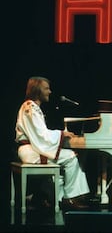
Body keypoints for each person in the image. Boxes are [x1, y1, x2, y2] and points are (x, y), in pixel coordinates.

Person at [15, 76, 91, 210]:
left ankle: (55, 196)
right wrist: (62, 134)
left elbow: (40, 132)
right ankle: (70, 197)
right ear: (38, 90)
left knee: (64, 158)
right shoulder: (30, 107)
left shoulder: (32, 107)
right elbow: (40, 134)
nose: (49, 91)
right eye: (46, 88)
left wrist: (59, 134)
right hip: (30, 151)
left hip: (32, 149)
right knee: (71, 156)